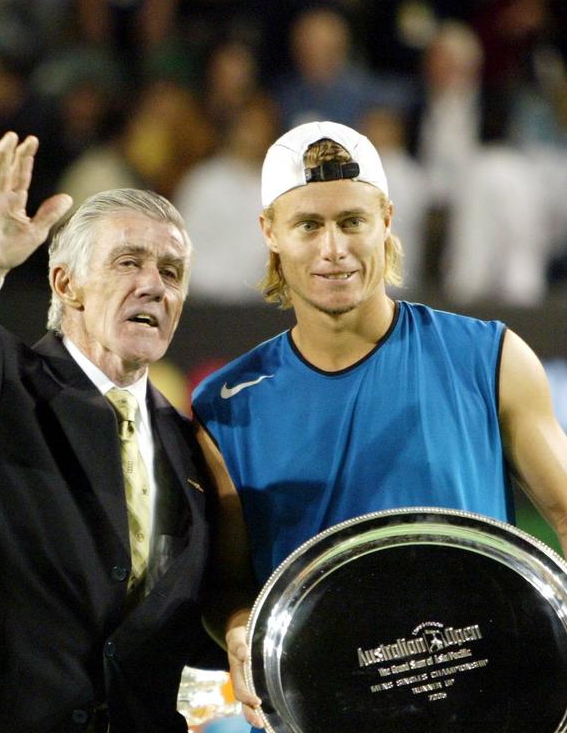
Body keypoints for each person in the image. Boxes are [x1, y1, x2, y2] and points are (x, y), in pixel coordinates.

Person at [190, 120, 567, 729]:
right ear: (270, 233)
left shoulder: (489, 357)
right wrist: (238, 631)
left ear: (386, 219)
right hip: (322, 712)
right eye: (308, 225)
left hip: (488, 709)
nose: (332, 249)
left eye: (351, 221)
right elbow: (227, 584)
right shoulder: (225, 405)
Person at [0, 131, 218, 731]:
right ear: (65, 284)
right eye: (128, 262)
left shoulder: (188, 447)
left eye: (172, 271)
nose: (154, 285)